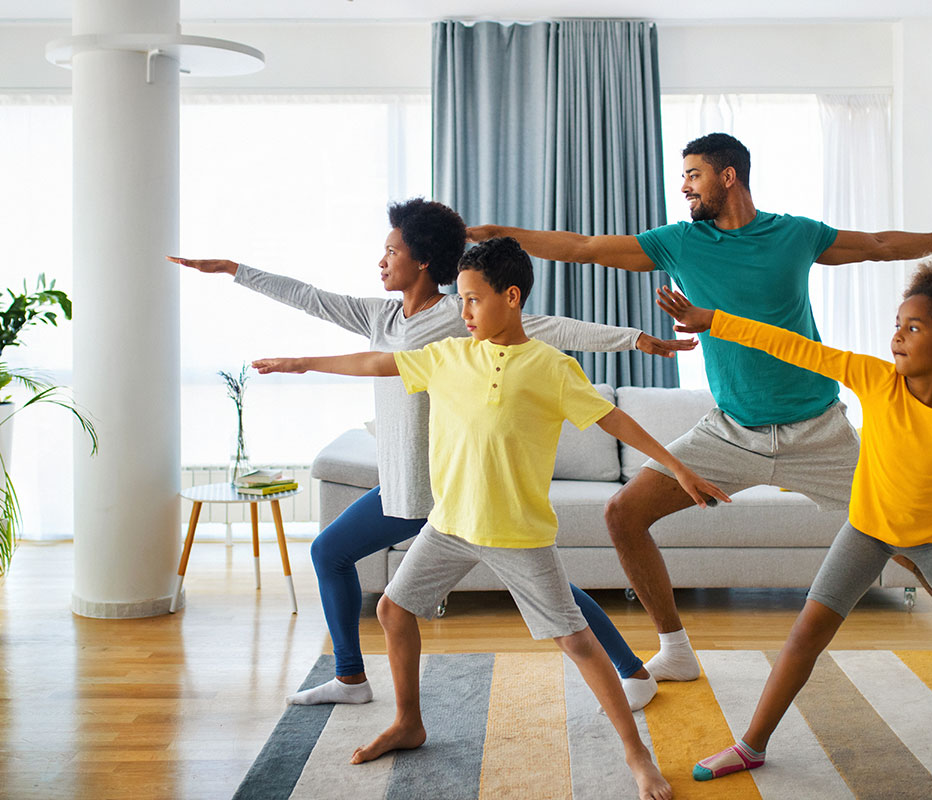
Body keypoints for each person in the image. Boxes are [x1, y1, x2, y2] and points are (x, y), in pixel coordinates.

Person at [467, 132, 932, 684]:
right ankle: (675, 649)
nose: (683, 185)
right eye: (683, 176)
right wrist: (501, 235)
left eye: (693, 174)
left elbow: (876, 243)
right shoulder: (678, 242)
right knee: (623, 513)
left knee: (912, 544)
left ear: (728, 176)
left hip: (820, 433)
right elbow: (585, 247)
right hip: (730, 432)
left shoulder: (793, 235)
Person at [253, 237, 732, 800]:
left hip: (516, 534)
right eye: (460, 300)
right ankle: (409, 721)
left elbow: (614, 423)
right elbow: (375, 360)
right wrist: (301, 363)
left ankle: (637, 754)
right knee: (392, 609)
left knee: (577, 643)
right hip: (450, 524)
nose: (464, 313)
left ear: (511, 296)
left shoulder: (551, 367)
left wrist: (676, 468)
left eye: (474, 300)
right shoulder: (450, 356)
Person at [169, 198, 694, 711]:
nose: (381, 261)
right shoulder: (378, 316)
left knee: (337, 554)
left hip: (438, 488)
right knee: (537, 582)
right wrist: (235, 270)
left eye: (391, 251)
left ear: (422, 260)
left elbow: (548, 327)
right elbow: (308, 296)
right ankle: (628, 669)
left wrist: (633, 339)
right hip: (401, 482)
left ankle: (353, 675)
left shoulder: (459, 315)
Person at [653, 256, 932, 794]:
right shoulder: (875, 380)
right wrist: (717, 321)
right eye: (896, 324)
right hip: (865, 531)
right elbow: (796, 347)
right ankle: (751, 745)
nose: (897, 337)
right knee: (805, 635)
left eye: (913, 328)